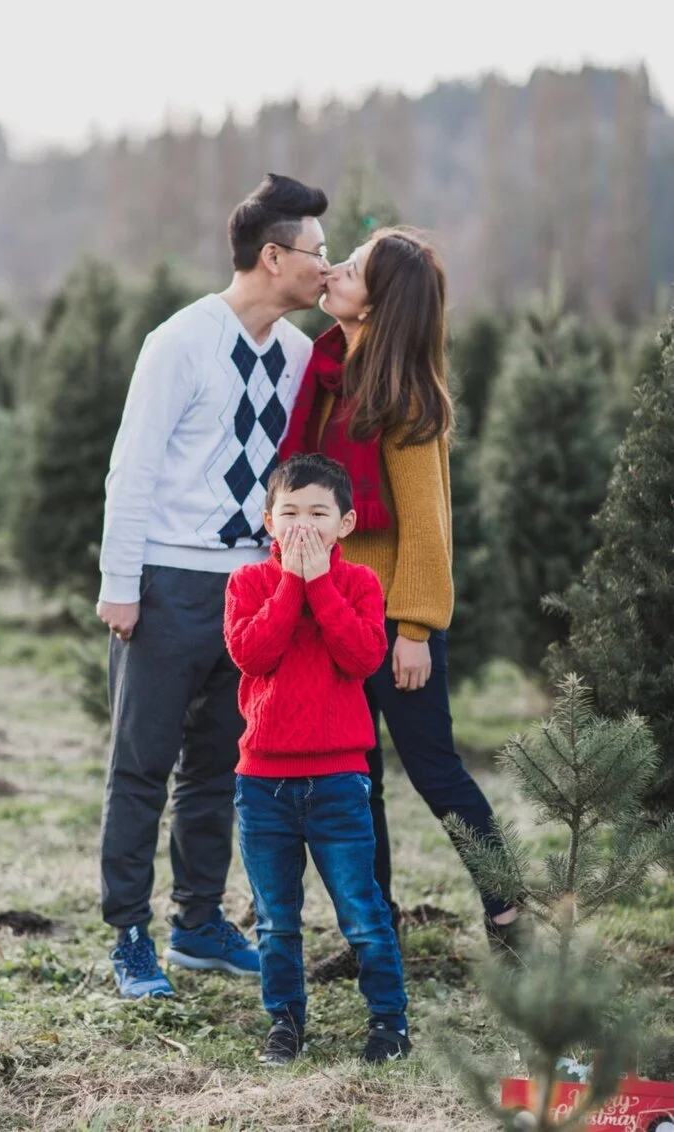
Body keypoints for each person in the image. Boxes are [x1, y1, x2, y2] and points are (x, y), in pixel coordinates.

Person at [96, 173, 330, 999]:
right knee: (141, 765)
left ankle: (197, 925)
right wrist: (120, 582)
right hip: (167, 582)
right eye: (317, 251)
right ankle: (129, 933)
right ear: (273, 257)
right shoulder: (180, 342)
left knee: (218, 770)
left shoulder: (298, 355)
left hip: (251, 591)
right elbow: (132, 468)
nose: (327, 266)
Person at [279, 227, 522, 978]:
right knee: (356, 780)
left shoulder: (405, 399)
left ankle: (510, 917)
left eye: (352, 270)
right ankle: (372, 936)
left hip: (391, 620)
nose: (335, 271)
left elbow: (426, 527)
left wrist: (414, 628)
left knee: (435, 771)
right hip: (333, 611)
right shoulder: (327, 373)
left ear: (378, 306)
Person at [224, 452, 411, 1065]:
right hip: (264, 784)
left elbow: (362, 657)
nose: (303, 525)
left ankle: (389, 1023)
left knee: (361, 912)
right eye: (290, 513)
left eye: (318, 513)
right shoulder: (247, 583)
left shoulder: (360, 584)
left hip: (338, 780)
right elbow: (253, 654)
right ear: (268, 521)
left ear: (345, 523)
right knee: (276, 919)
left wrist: (320, 585)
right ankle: (285, 1024)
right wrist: (290, 584)